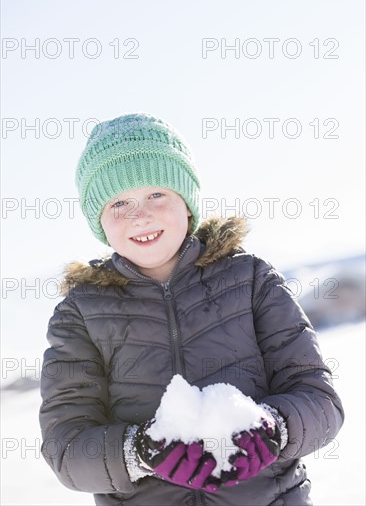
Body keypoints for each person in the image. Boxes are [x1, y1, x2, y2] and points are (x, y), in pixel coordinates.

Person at [39, 113, 344, 506]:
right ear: (99, 220)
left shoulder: (251, 281)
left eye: (156, 194)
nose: (140, 215)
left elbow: (319, 400)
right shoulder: (79, 313)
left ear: (187, 202)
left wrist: (275, 429)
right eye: (119, 202)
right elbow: (65, 446)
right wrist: (142, 451)